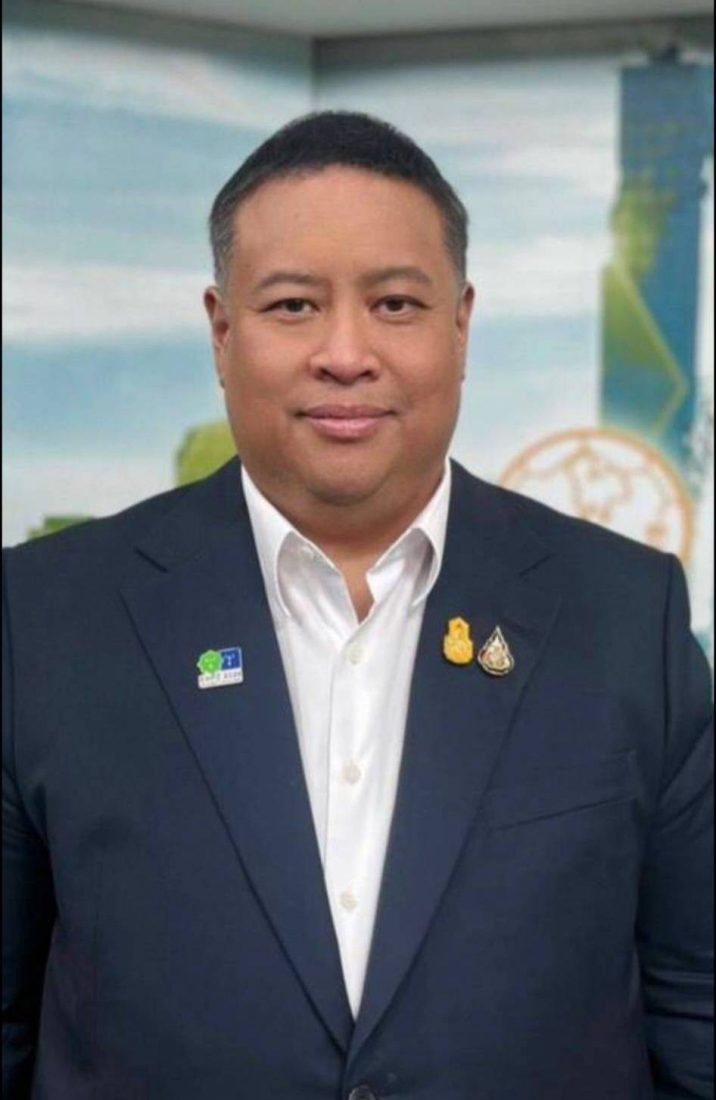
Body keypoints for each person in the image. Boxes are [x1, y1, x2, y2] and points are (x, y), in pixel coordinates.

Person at [2, 111, 713, 1100]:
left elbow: (696, 1014)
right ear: (222, 331)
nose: (345, 353)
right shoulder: (43, 618)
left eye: (394, 304)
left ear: (460, 325)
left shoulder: (627, 617)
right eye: (293, 305)